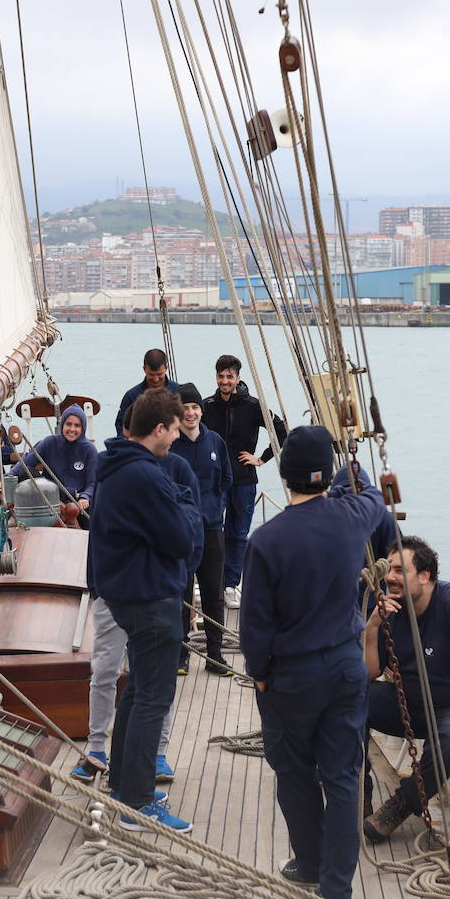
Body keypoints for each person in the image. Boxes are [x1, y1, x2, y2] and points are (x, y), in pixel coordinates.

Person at [239, 425, 389, 899]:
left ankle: (307, 861)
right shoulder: (353, 517)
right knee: (342, 774)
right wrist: (350, 460)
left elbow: (255, 624)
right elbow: (370, 495)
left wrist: (259, 671)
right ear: (327, 476)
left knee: (295, 771)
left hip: (292, 676)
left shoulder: (266, 540)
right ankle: (337, 886)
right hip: (345, 666)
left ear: (283, 475)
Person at [87, 388, 200, 832]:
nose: (176, 438)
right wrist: (187, 503)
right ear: (158, 429)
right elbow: (181, 539)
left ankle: (123, 783)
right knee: (155, 696)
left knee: (137, 691)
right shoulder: (146, 476)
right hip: (150, 598)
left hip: (125, 594)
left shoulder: (115, 465)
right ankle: (136, 803)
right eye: (173, 430)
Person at [362, 536, 450, 844]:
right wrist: (372, 628)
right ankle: (358, 790)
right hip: (414, 703)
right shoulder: (390, 607)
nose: (389, 577)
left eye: (400, 570)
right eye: (389, 570)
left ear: (425, 576)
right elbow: (370, 672)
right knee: (351, 700)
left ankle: (402, 803)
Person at [202, 354, 287, 609]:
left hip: (243, 478)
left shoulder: (252, 406)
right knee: (213, 532)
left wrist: (261, 458)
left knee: (238, 533)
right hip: (216, 480)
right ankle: (214, 581)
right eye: (221, 376)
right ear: (216, 377)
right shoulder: (206, 406)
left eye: (230, 376)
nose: (225, 381)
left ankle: (230, 585)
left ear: (237, 378)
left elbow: (281, 431)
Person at [168, 382, 232, 676]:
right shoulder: (170, 444)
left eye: (195, 407)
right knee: (181, 594)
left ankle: (215, 655)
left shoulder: (215, 442)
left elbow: (226, 480)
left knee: (213, 592)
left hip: (210, 529)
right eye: (185, 408)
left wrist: (214, 507)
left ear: (201, 411)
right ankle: (181, 655)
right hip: (180, 531)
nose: (191, 413)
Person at [0, 405, 96, 525]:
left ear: (83, 428)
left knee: (92, 526)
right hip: (50, 495)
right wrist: (4, 481)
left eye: (77, 425)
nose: (72, 429)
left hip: (76, 499)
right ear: (63, 425)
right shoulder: (50, 442)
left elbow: (93, 482)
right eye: (68, 424)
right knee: (26, 472)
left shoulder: (89, 450)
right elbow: (25, 463)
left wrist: (85, 497)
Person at [113, 348, 179, 437]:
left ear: (166, 368)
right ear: (144, 369)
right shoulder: (131, 396)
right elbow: (121, 425)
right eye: (151, 375)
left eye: (159, 374)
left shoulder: (178, 392)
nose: (156, 379)